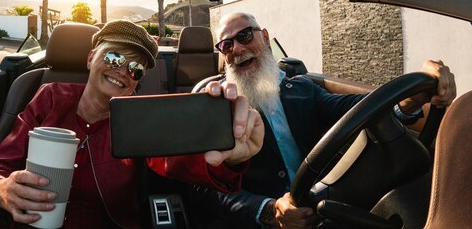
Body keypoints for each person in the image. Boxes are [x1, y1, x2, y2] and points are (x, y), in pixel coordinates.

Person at [0, 20, 264, 228]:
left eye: (135, 69)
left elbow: (176, 161)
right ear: (91, 58)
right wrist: (1, 190)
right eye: (114, 56)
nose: (122, 71)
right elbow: (1, 163)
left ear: (137, 82)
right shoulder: (51, 97)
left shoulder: (137, 119)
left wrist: (228, 156)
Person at [195, 12, 457, 228]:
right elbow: (205, 189)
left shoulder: (303, 89)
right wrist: (269, 210)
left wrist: (408, 100)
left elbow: (354, 109)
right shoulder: (218, 107)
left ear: (264, 37)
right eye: (226, 45)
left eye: (244, 36)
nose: (237, 48)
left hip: (327, 208)